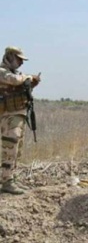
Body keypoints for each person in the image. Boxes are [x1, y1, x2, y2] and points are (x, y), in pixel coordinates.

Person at [0, 47, 41, 194]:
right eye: (18, 59)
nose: (20, 63)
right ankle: (6, 182)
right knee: (9, 148)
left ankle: (10, 179)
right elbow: (14, 80)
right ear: (9, 57)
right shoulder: (3, 72)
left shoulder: (16, 74)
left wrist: (30, 84)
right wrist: (28, 78)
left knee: (16, 149)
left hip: (18, 114)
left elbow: (19, 85)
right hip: (8, 116)